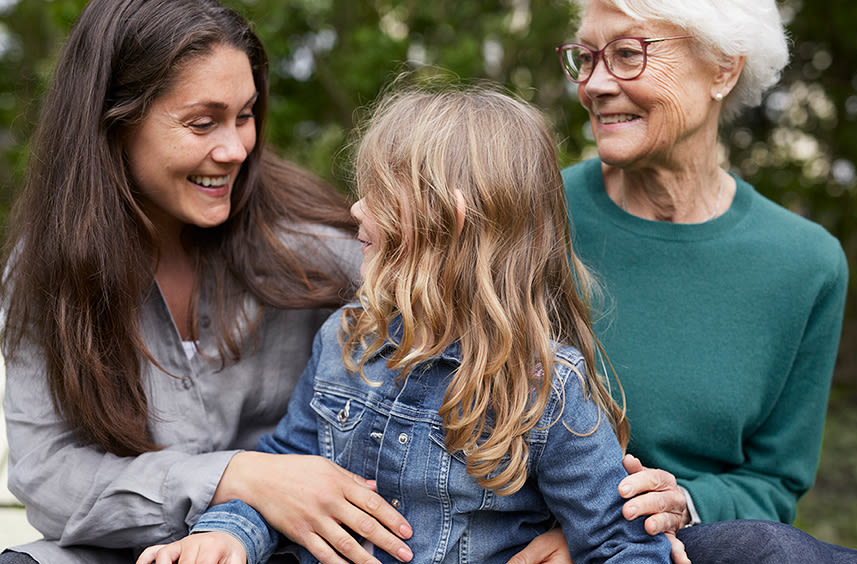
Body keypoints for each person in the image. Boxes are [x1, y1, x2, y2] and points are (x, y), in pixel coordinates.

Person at [135, 85, 674, 564]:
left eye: (381, 194)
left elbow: (620, 542)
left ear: (449, 218)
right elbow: (287, 467)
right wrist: (227, 534)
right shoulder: (347, 337)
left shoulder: (549, 391)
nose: (356, 208)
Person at [0, 1, 416, 563]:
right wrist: (236, 476)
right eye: (202, 122)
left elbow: (491, 338)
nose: (235, 148)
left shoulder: (319, 248)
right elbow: (50, 476)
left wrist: (563, 519)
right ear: (112, 122)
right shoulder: (44, 271)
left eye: (245, 116)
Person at [508, 1, 857, 563]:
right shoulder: (529, 212)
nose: (594, 84)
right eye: (586, 58)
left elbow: (774, 481)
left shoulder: (805, 263)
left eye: (626, 54)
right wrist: (326, 467)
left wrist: (680, 502)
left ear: (723, 69)